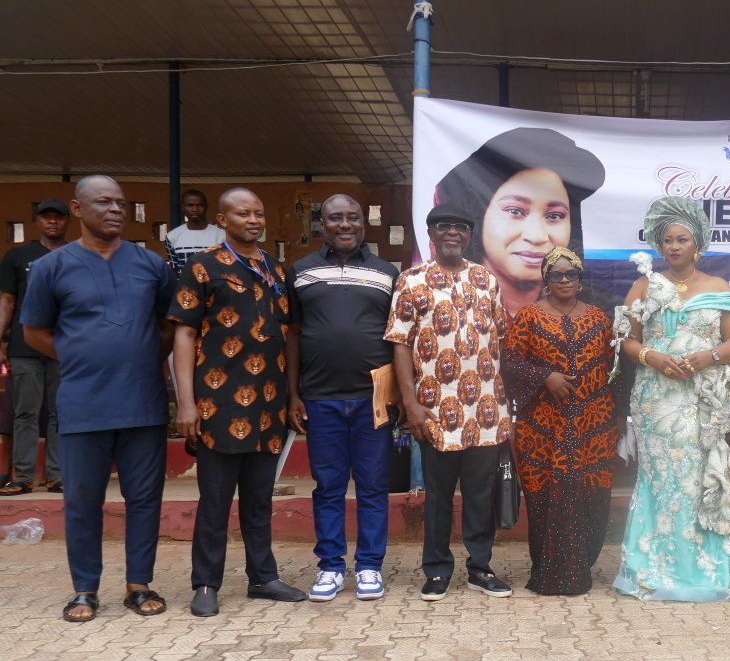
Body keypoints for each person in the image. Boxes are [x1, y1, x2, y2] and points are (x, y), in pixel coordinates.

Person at [20, 176, 174, 622]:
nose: (115, 210)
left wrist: (142, 356)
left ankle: (138, 585)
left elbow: (169, 325)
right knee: (83, 500)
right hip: (84, 404)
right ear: (77, 209)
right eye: (104, 202)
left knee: (144, 498)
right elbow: (34, 331)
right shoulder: (51, 267)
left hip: (143, 403)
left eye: (121, 204)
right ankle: (84, 589)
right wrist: (79, 356)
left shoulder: (151, 264)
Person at [170, 187, 306, 617]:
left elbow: (289, 335)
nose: (253, 220)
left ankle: (262, 577)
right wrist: (186, 403)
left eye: (259, 213)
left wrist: (291, 393)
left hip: (268, 405)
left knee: (259, 499)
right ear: (223, 220)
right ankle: (206, 583)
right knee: (214, 501)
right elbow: (185, 333)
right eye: (243, 214)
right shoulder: (203, 265)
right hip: (217, 405)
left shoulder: (274, 269)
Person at [612, 196, 730, 601]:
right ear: (660, 246)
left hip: (700, 399)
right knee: (660, 480)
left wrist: (706, 357)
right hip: (657, 401)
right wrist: (652, 357)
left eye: (682, 240)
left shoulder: (717, 287)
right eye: (668, 240)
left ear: (698, 245)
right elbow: (627, 339)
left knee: (697, 477)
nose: (674, 247)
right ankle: (651, 566)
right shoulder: (644, 285)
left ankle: (700, 570)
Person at [386, 203, 513, 600]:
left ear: (469, 235)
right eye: (444, 227)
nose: (452, 233)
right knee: (438, 496)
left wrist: (506, 403)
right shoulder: (411, 281)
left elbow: (501, 339)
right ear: (432, 235)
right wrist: (411, 404)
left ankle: (480, 567)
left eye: (460, 227)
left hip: (486, 411)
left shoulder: (485, 280)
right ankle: (437, 570)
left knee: (480, 493)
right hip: (435, 410)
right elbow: (400, 344)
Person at [285, 194, 400, 601]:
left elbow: (398, 339)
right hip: (320, 398)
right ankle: (331, 566)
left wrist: (397, 394)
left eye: (353, 217)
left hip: (374, 398)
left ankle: (369, 566)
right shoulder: (301, 271)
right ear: (322, 225)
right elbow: (294, 334)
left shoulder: (387, 273)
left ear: (364, 225)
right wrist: (293, 394)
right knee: (328, 486)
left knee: (372, 486)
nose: (345, 224)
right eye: (336, 218)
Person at [502, 247, 623, 595]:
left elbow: (614, 369)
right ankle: (551, 572)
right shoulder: (529, 317)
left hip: (593, 425)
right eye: (557, 274)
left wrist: (617, 416)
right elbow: (510, 363)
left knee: (589, 494)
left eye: (572, 274)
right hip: (544, 426)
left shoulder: (599, 318)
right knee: (549, 495)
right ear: (546, 279)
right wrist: (545, 377)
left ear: (581, 280)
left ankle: (580, 566)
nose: (565, 280)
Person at [433, 128, 605, 317]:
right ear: (479, 215)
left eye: (554, 216)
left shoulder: (589, 314)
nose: (537, 236)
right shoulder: (439, 296)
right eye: (515, 211)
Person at [0, 198, 68, 495]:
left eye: (58, 217)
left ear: (68, 221)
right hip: (24, 346)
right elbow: (6, 301)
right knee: (25, 413)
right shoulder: (18, 256)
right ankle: (23, 477)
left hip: (64, 346)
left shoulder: (77, 255)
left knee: (60, 412)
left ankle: (57, 476)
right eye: (46, 217)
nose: (52, 221)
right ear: (37, 221)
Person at [164, 189, 225, 277]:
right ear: (182, 207)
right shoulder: (172, 237)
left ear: (206, 207)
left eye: (200, 205)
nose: (195, 209)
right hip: (186, 288)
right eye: (190, 205)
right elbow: (174, 269)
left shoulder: (222, 235)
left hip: (216, 288)